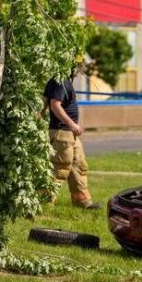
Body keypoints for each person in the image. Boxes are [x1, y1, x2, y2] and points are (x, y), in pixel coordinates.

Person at [43, 66, 101, 209]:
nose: (81, 68)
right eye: (79, 64)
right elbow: (54, 105)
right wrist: (72, 124)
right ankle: (44, 204)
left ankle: (82, 202)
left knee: (78, 167)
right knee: (59, 169)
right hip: (62, 133)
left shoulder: (62, 80)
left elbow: (43, 102)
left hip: (69, 134)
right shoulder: (59, 80)